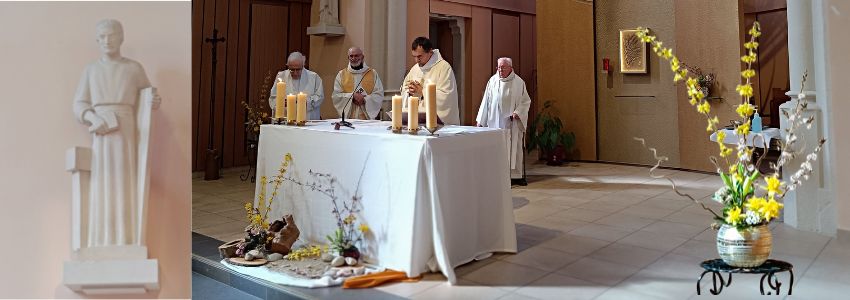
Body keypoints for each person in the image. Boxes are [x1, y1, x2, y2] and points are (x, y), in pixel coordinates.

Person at [73, 19, 160, 246]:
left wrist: (154, 100)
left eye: (111, 35)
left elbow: (147, 95)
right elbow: (79, 104)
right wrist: (93, 117)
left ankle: (125, 237)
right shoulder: (91, 70)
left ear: (121, 37)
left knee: (125, 181)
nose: (107, 41)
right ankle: (102, 239)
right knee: (102, 182)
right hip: (101, 133)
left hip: (126, 132)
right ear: (97, 41)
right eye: (101, 37)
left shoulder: (133, 68)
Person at [476, 57, 531, 185]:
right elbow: (486, 102)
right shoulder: (493, 81)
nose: (500, 70)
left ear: (510, 68)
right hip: (495, 123)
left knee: (513, 149)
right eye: (498, 67)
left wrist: (518, 113)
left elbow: (525, 101)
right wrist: (481, 120)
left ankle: (515, 176)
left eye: (503, 67)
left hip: (512, 124)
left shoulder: (519, 82)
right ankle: (497, 175)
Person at [400, 37, 460, 125]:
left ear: (430, 52)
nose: (416, 60)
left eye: (420, 56)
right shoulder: (415, 69)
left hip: (438, 125)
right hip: (416, 121)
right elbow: (404, 89)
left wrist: (422, 92)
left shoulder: (444, 67)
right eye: (414, 57)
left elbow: (446, 97)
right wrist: (409, 91)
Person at [332, 47, 385, 120]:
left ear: (362, 57)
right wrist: (352, 96)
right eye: (351, 56)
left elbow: (379, 94)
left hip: (367, 118)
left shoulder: (372, 73)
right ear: (348, 57)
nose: (354, 58)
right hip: (349, 117)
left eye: (357, 55)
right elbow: (336, 96)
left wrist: (365, 99)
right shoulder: (341, 74)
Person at [268, 52, 324, 120]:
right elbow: (273, 98)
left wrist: (305, 103)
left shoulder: (314, 77)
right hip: (286, 121)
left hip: (307, 120)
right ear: (288, 66)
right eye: (291, 70)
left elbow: (319, 97)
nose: (295, 73)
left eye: (298, 69)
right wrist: (281, 103)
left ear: (303, 65)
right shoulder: (281, 76)